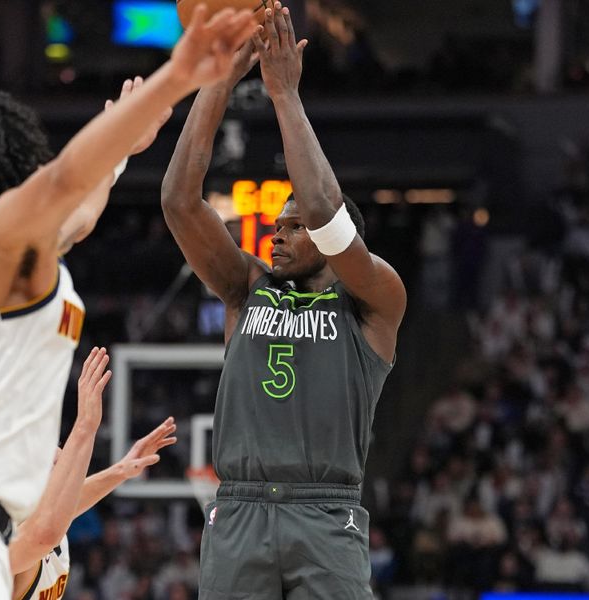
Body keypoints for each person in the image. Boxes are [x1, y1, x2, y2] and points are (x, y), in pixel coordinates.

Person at [0, 7, 257, 598]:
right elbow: (61, 186)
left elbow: (77, 215)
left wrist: (124, 151)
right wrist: (178, 73)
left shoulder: (18, 255)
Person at [160, 4, 406, 597]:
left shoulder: (373, 296)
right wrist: (217, 81)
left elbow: (324, 211)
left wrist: (284, 96)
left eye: (292, 226)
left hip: (325, 513)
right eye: (279, 221)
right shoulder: (247, 287)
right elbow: (178, 201)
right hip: (240, 509)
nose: (279, 231)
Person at [9, 347, 177, 600]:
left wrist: (121, 470)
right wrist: (85, 425)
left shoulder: (48, 519)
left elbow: (70, 502)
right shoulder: (12, 537)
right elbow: (45, 532)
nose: (61, 455)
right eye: (54, 459)